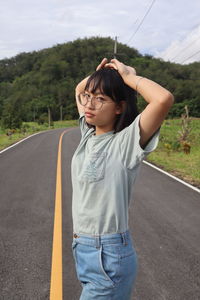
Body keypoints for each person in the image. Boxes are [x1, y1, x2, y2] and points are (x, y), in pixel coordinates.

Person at [71, 58, 174, 299]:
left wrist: (127, 77)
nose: (90, 103)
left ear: (119, 107)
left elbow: (162, 99)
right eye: (89, 96)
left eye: (101, 99)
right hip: (84, 250)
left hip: (108, 256)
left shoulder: (126, 143)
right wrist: (103, 77)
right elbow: (78, 89)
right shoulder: (88, 134)